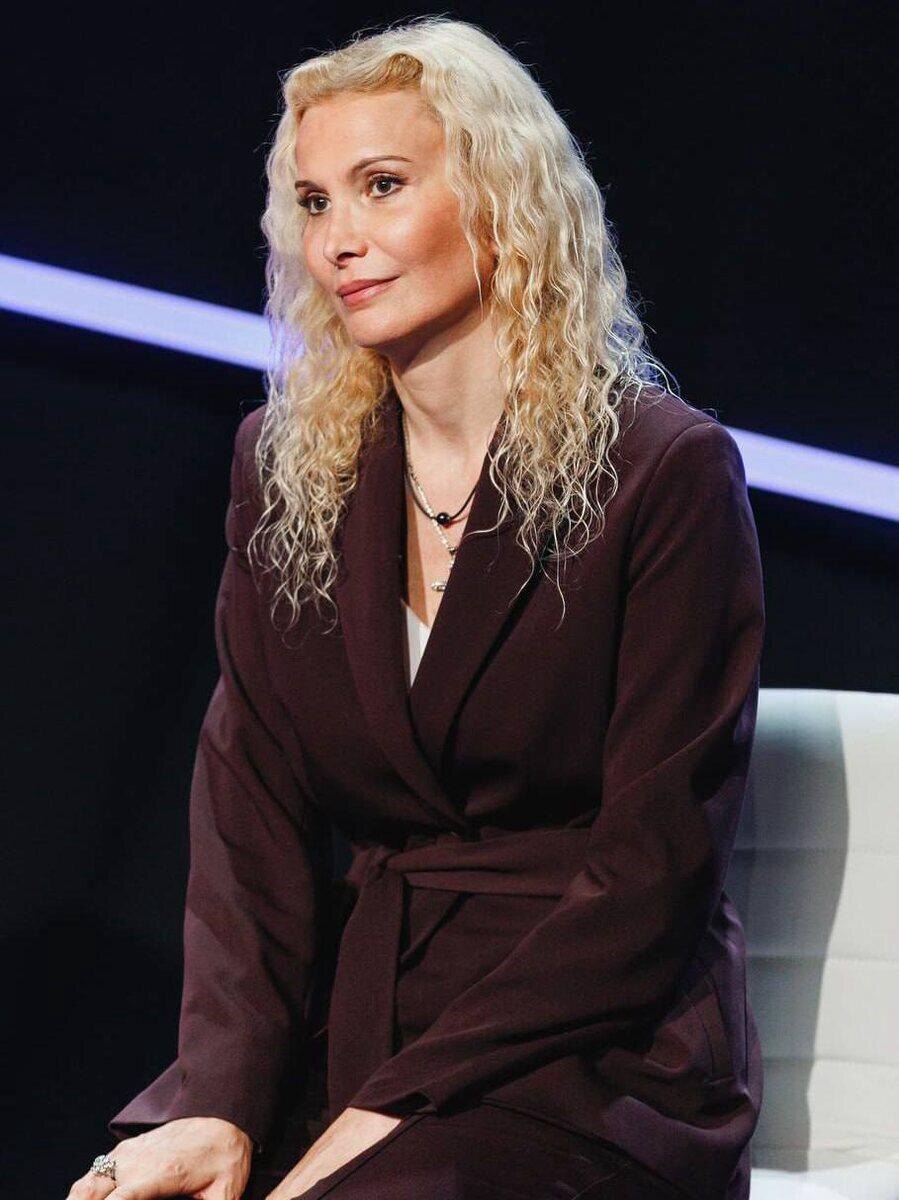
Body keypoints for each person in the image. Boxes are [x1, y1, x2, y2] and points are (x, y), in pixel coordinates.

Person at [67, 16, 766, 1200]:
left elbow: (651, 874)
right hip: (352, 1013)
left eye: (380, 186)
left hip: (587, 1051)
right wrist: (223, 1100)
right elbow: (250, 813)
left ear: (500, 200)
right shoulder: (286, 469)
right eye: (314, 202)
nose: (337, 238)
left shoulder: (661, 471)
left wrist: (377, 1119)